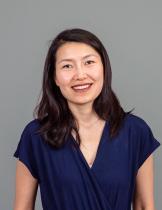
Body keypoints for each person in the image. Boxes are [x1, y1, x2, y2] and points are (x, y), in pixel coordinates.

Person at [13, 28, 161, 210]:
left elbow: (145, 206)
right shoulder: (35, 136)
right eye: (67, 66)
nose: (80, 75)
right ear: (54, 77)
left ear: (104, 68)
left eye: (89, 62)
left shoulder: (136, 132)